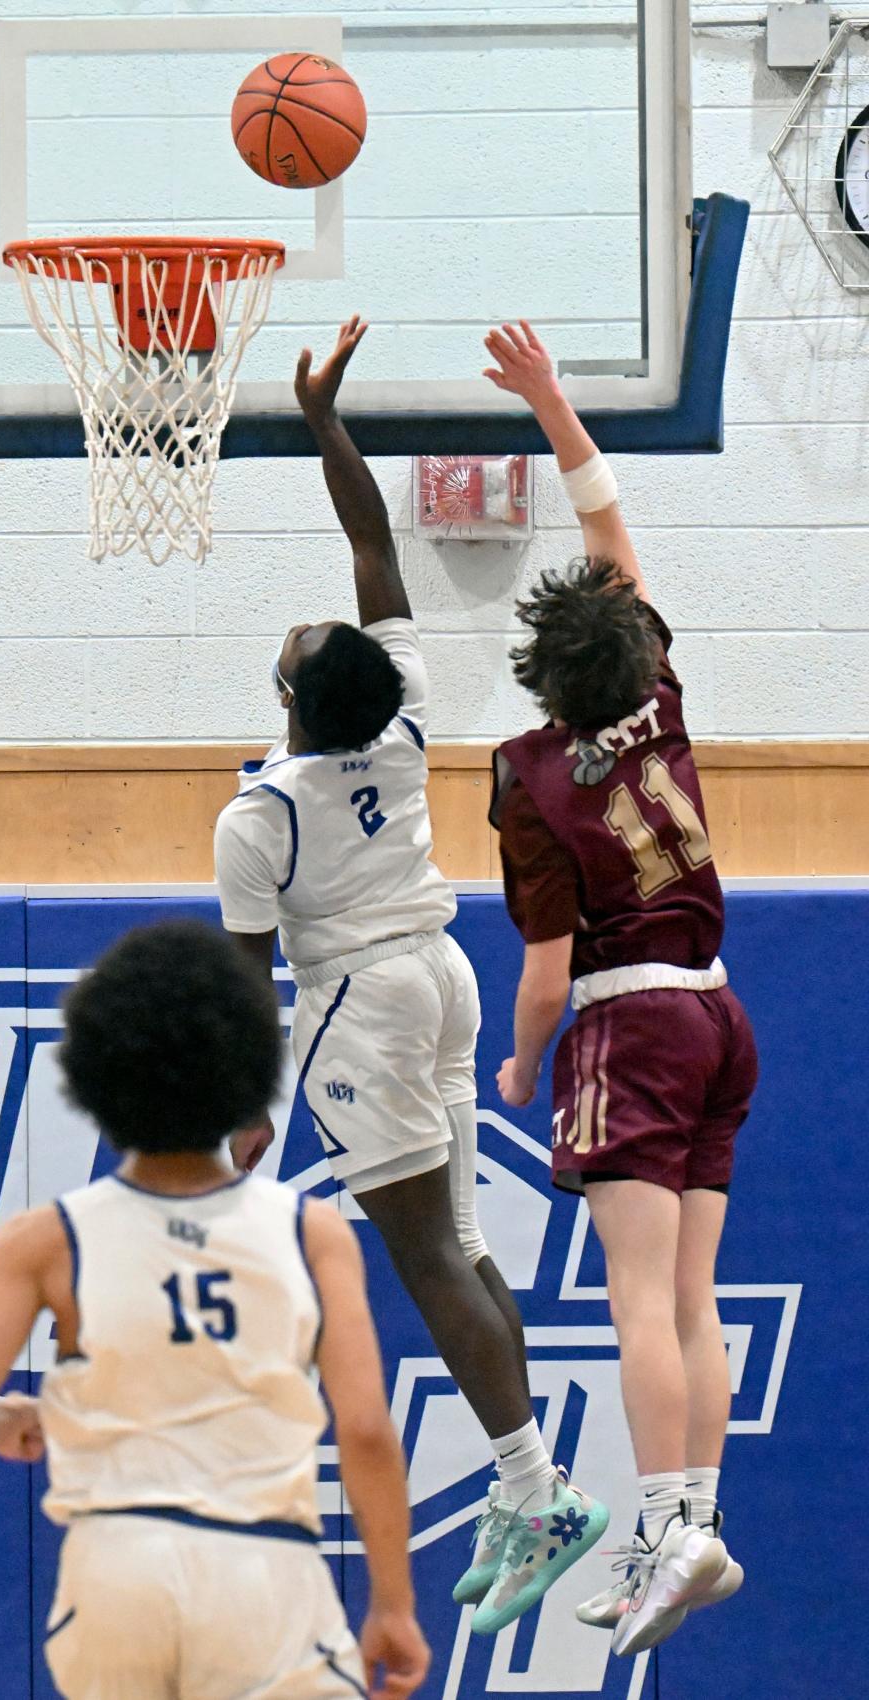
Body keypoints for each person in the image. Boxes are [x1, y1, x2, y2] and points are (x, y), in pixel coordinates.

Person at [214, 317, 607, 1635]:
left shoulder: (262, 807)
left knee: (431, 1263)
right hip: (441, 972)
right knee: (469, 1247)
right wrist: (327, 427)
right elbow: (373, 546)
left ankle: (533, 1487)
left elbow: (240, 967)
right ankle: (534, 1480)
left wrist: (240, 1100)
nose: (330, 612)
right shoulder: (403, 708)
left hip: (361, 1007)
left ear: (290, 698)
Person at [0, 919, 430, 1700]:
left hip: (113, 1573)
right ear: (249, 1070)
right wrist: (392, 1604)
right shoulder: (312, 1233)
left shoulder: (44, 1240)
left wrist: (9, 1421)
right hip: (266, 1573)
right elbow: (364, 1430)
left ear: (97, 1073)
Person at [483, 321, 758, 1658]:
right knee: (690, 1301)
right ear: (633, 654)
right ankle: (684, 1529)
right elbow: (612, 535)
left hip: (629, 1022)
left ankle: (667, 1528)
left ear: (543, 671)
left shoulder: (529, 773)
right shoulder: (661, 698)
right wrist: (555, 407)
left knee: (637, 1306)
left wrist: (526, 1066)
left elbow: (543, 971)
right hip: (717, 1010)